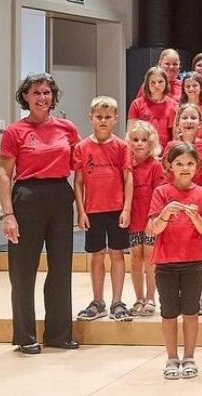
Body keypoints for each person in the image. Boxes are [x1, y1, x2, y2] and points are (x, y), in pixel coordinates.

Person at [0, 73, 80, 354]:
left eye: (46, 92)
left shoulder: (67, 128)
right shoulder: (14, 131)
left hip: (60, 196)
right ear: (25, 96)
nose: (42, 98)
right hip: (27, 198)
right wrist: (8, 214)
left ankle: (58, 333)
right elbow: (4, 174)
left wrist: (82, 207)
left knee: (61, 268)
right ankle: (25, 335)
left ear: (53, 96)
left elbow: (79, 167)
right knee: (23, 271)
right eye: (36, 93)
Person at [150, 143, 202, 379]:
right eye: (179, 163)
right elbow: (154, 229)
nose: (185, 168)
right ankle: (171, 358)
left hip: (192, 262)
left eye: (189, 163)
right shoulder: (161, 192)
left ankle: (189, 356)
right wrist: (166, 212)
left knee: (190, 312)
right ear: (170, 166)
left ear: (196, 166)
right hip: (166, 263)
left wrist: (195, 216)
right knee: (168, 313)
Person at [73, 96, 134, 322]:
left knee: (117, 254)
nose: (103, 121)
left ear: (115, 120)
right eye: (99, 117)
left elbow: (128, 179)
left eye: (108, 117)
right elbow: (78, 182)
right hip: (93, 210)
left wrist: (126, 209)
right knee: (96, 255)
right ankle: (97, 301)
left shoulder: (121, 147)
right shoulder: (81, 147)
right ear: (91, 118)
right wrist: (81, 210)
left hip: (116, 209)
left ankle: (117, 302)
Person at [126, 121, 165, 318]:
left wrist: (154, 218)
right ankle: (138, 298)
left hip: (150, 220)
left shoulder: (155, 166)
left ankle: (151, 297)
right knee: (135, 259)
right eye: (135, 140)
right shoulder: (127, 166)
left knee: (150, 260)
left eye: (144, 140)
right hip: (133, 220)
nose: (139, 144)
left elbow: (159, 194)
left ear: (151, 143)